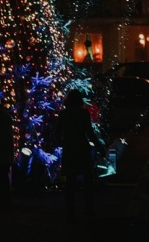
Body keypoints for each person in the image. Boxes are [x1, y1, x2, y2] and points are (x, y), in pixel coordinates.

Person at [55, 88, 102, 221]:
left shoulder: (63, 114)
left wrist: (62, 142)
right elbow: (90, 132)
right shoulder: (83, 113)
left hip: (70, 150)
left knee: (70, 182)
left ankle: (71, 212)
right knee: (87, 180)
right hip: (82, 148)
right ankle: (88, 209)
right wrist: (99, 146)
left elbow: (57, 132)